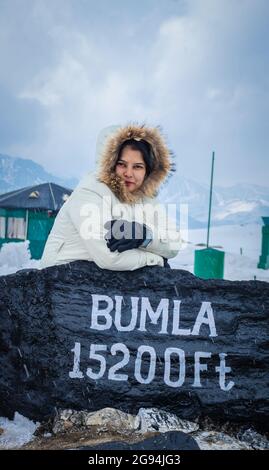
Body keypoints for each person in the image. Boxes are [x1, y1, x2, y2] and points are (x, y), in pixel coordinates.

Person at [40, 123, 181, 271]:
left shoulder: (145, 197)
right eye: (122, 164)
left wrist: (144, 236)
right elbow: (109, 258)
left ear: (148, 170)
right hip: (60, 278)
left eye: (138, 166)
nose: (129, 173)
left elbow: (174, 243)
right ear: (109, 163)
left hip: (105, 282)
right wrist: (156, 258)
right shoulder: (90, 190)